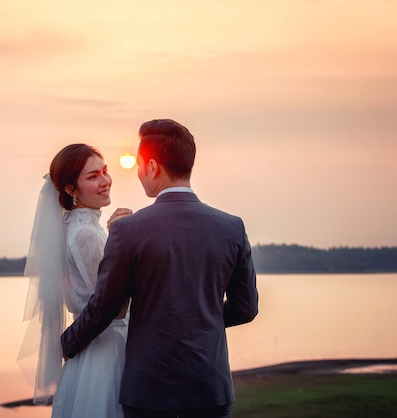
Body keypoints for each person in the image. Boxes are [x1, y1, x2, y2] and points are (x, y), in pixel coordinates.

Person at [61, 119, 259, 418]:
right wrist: (200, 322)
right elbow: (245, 309)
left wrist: (66, 343)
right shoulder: (232, 227)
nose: (138, 173)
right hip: (210, 386)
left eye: (139, 165)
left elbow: (105, 307)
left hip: (148, 390)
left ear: (152, 167)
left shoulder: (128, 230)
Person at [18, 144, 129, 418]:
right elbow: (115, 308)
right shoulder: (85, 235)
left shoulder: (75, 226)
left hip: (93, 346)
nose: (105, 181)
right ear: (70, 189)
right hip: (106, 350)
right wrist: (122, 244)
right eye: (92, 177)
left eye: (104, 171)